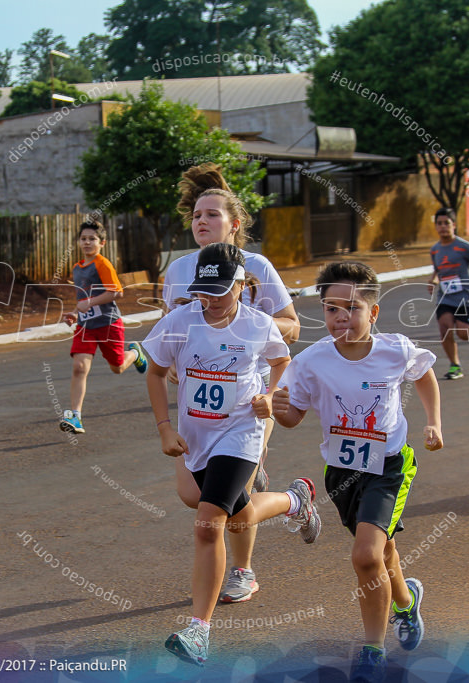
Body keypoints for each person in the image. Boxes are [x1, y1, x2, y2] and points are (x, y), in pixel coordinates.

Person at [143, 243, 320, 666]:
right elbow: (153, 372)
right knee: (227, 511)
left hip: (240, 434)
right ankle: (296, 501)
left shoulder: (258, 325)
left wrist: (268, 395)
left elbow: (282, 360)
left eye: (221, 291)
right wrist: (164, 429)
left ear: (241, 285)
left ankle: (198, 631)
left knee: (208, 525)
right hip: (195, 436)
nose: (212, 299)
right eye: (205, 291)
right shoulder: (180, 322)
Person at [272, 261, 443, 683]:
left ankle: (372, 649)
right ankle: (407, 600)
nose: (340, 317)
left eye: (351, 307)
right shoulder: (311, 361)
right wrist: (279, 410)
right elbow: (294, 414)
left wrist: (433, 421)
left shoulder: (395, 349)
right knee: (380, 554)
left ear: (374, 312)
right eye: (331, 309)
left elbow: (423, 374)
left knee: (366, 555)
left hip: (389, 466)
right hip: (342, 472)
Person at [163, 163, 301, 604]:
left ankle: (241, 570)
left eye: (213, 215)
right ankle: (294, 500)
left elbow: (291, 326)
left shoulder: (255, 265)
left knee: (227, 496)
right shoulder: (179, 269)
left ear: (234, 224)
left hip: (250, 398)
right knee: (192, 493)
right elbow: (171, 329)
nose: (201, 221)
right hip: (195, 398)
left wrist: (242, 330)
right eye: (197, 215)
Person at [59, 219, 147, 434]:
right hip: (86, 326)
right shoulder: (77, 268)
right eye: (83, 239)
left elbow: (117, 292)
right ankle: (76, 417)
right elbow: (84, 297)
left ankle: (134, 354)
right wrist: (74, 312)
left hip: (108, 323)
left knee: (117, 367)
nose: (87, 242)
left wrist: (89, 303)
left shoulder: (102, 263)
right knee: (79, 367)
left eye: (92, 239)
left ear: (102, 243)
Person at [427, 207, 469, 380]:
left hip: (464, 297)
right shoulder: (435, 250)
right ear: (436, 226)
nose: (443, 227)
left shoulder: (465, 247)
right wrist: (433, 281)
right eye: (439, 223)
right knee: (444, 328)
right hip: (445, 297)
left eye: (447, 223)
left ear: (454, 225)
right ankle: (455, 365)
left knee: (465, 334)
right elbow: (438, 270)